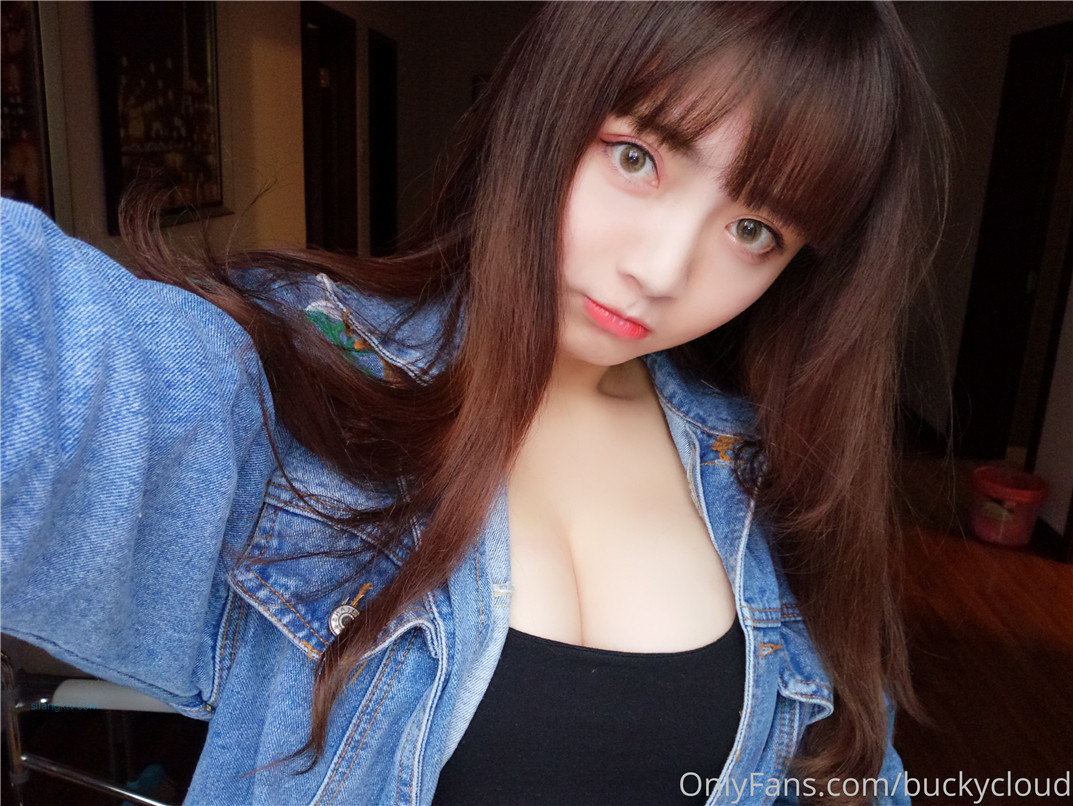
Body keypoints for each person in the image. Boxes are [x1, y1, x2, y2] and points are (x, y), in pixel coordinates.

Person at [1, 3, 947, 804]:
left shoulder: (773, 484)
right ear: (547, 108)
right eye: (635, 157)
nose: (660, 270)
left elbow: (854, 775)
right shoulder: (299, 382)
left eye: (752, 229)